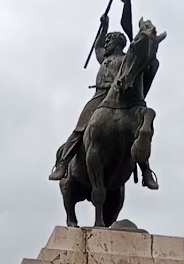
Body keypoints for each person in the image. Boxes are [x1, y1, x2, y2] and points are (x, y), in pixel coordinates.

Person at [49, 14, 158, 189]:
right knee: (80, 128)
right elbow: (98, 46)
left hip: (122, 97)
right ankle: (63, 163)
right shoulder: (104, 59)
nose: (105, 45)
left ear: (117, 43)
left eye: (108, 41)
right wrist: (103, 27)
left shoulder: (126, 59)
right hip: (100, 97)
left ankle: (146, 171)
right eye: (106, 42)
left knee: (136, 131)